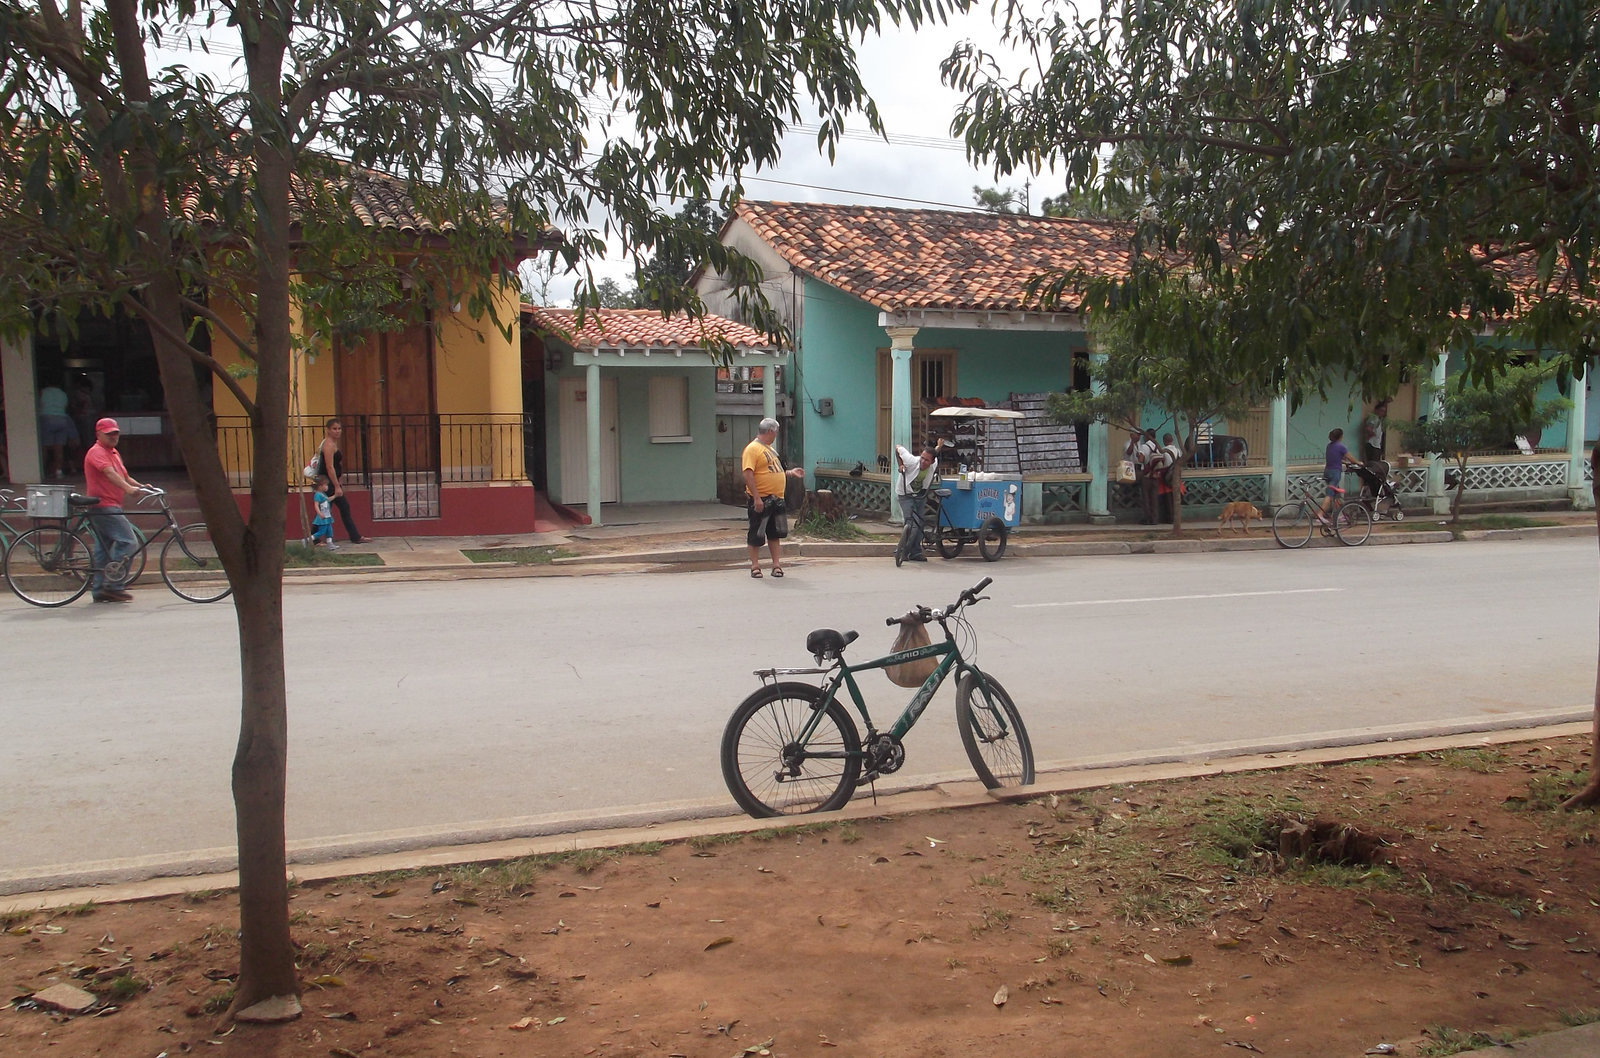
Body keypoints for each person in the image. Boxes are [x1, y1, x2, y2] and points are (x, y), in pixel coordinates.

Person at [82, 417, 146, 603]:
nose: (113, 436)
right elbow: (109, 474)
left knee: (104, 549)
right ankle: (114, 585)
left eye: (115, 433)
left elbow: (124, 475)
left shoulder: (113, 452)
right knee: (128, 542)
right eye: (109, 433)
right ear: (98, 434)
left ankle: (99, 589)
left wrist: (141, 486)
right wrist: (128, 489)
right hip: (104, 506)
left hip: (111, 505)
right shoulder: (97, 452)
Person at [741, 417, 803, 578]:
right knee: (756, 534)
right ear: (770, 431)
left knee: (775, 533)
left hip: (777, 499)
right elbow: (748, 473)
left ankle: (776, 565)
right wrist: (756, 498)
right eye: (775, 432)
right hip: (762, 499)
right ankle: (755, 566)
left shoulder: (769, 449)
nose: (776, 435)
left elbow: (772, 471)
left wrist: (790, 473)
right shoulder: (753, 449)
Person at [317, 418, 370, 545]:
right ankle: (316, 538)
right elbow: (330, 467)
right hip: (327, 483)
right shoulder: (328, 445)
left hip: (331, 482)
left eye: (339, 429)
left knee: (336, 508)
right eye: (334, 429)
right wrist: (336, 486)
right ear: (328, 430)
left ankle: (355, 536)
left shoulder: (333, 444)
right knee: (327, 508)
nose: (337, 431)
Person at [893, 441, 939, 564]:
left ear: (932, 462)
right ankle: (902, 551)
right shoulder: (911, 461)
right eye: (922, 458)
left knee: (920, 524)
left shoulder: (934, 464)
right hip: (905, 493)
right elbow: (897, 448)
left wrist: (939, 445)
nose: (923, 462)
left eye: (927, 460)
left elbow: (936, 451)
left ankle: (916, 553)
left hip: (920, 495)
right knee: (912, 523)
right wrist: (901, 465)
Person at [37, 380, 78, 480]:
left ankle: (43, 471)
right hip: (62, 419)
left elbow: (38, 405)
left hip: (46, 418)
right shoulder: (63, 394)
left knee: (44, 447)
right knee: (59, 448)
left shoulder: (43, 392)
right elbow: (66, 406)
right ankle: (59, 471)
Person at [1321, 427, 1361, 521]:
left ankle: (1340, 515)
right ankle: (1320, 514)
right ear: (1340, 437)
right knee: (1330, 494)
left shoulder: (1329, 446)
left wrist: (1344, 462)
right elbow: (1351, 458)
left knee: (1336, 494)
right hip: (1335, 473)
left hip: (1327, 471)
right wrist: (1358, 462)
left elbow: (1335, 458)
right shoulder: (1341, 447)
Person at [1130, 428, 1159, 524]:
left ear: (1147, 436)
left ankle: (1148, 518)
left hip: (1146, 475)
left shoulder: (1144, 447)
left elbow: (1141, 460)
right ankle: (1155, 519)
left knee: (1146, 497)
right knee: (1154, 498)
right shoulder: (1158, 446)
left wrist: (1139, 456)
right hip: (1156, 475)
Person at [309, 475, 336, 550]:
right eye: (326, 485)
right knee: (321, 531)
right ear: (320, 486)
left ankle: (330, 543)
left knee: (329, 530)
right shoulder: (317, 495)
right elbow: (316, 505)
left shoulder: (323, 494)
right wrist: (319, 513)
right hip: (322, 517)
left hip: (327, 516)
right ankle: (308, 540)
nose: (327, 486)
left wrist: (335, 496)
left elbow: (328, 500)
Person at [1361, 399, 1389, 464]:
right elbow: (1368, 428)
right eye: (1381, 411)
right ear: (1376, 410)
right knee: (1373, 464)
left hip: (1376, 444)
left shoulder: (1378, 420)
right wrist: (1372, 435)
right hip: (1372, 445)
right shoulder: (1373, 418)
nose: (1382, 413)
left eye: (1384, 411)